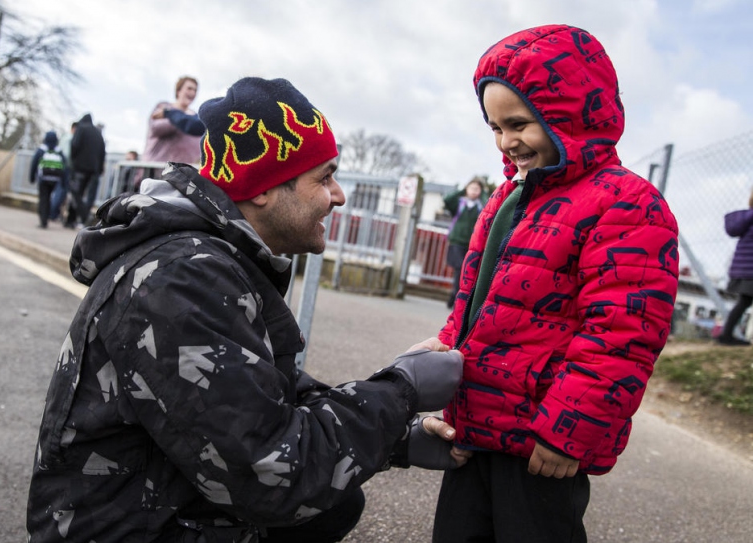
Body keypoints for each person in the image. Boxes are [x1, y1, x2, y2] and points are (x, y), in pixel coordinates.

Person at [27, 77, 469, 543]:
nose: (338, 196)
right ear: (262, 187)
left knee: (336, 506)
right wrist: (401, 391)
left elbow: (266, 399)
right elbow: (274, 472)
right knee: (315, 505)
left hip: (156, 511)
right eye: (324, 178)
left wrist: (397, 435)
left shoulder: (209, 260)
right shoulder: (182, 277)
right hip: (129, 531)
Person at [425, 25, 680, 543]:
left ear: (568, 115)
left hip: (542, 442)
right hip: (477, 422)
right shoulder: (506, 200)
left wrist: (571, 432)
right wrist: (444, 352)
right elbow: (473, 297)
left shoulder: (627, 204)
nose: (506, 141)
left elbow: (621, 334)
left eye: (519, 124)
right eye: (495, 126)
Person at [442, 176, 486, 308]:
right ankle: (457, 299)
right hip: (456, 242)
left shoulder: (480, 207)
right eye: (471, 188)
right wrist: (462, 190)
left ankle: (453, 297)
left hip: (472, 244)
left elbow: (488, 204)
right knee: (460, 270)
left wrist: (483, 193)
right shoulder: (460, 204)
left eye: (477, 189)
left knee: (467, 272)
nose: (474, 191)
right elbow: (447, 199)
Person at [142, 76, 205, 166]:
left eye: (195, 90)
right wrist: (178, 117)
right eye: (189, 88)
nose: (193, 92)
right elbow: (156, 128)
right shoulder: (164, 107)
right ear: (178, 91)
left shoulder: (195, 117)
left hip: (185, 173)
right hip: (159, 170)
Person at [719, 190, 753, 346]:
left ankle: (726, 335)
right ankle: (726, 336)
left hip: (743, 268)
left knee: (744, 302)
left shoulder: (747, 218)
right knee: (744, 301)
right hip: (749, 269)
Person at [66, 113, 105, 228]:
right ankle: (72, 220)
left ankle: (83, 216)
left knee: (75, 193)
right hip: (93, 170)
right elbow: (102, 152)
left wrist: (73, 162)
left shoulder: (81, 128)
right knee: (84, 195)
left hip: (80, 168)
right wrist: (99, 169)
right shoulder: (98, 133)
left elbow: (74, 145)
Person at [29, 131, 67, 228]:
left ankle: (43, 220)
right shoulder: (59, 151)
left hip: (43, 179)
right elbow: (64, 167)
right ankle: (49, 215)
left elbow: (34, 164)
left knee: (43, 198)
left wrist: (32, 177)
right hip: (55, 179)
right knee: (50, 198)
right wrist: (64, 181)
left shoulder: (41, 150)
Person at [49, 122, 76, 224]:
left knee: (58, 191)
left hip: (58, 167)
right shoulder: (70, 139)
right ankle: (53, 213)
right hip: (65, 167)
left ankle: (53, 213)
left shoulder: (64, 137)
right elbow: (67, 155)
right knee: (61, 191)